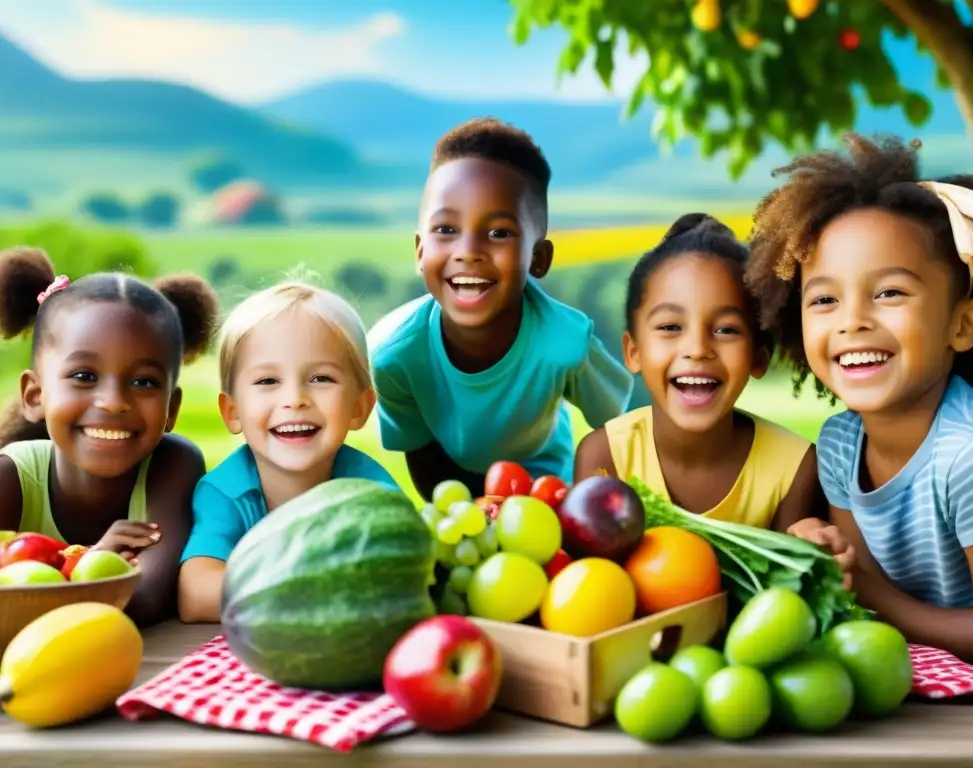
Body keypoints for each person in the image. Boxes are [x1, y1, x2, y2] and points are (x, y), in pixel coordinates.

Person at [745, 133, 973, 666]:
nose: (853, 321)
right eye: (824, 299)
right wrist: (823, 547)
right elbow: (861, 580)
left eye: (889, 293)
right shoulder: (841, 442)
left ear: (962, 324)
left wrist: (874, 597)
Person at [370, 117, 634, 500]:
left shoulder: (567, 342)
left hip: (547, 485)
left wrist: (586, 507)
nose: (468, 252)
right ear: (420, 250)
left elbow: (621, 427)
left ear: (539, 258)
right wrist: (465, 510)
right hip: (449, 483)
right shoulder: (393, 354)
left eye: (498, 233)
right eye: (446, 230)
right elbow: (420, 450)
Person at [575, 215, 852, 558]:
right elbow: (593, 582)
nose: (697, 349)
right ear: (634, 352)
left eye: (726, 330)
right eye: (670, 327)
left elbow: (790, 587)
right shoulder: (605, 456)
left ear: (758, 359)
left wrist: (813, 543)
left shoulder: (795, 467)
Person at [0, 246, 219, 628]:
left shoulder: (174, 466)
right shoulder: (9, 479)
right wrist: (90, 561)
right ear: (35, 396)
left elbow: (147, 598)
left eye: (143, 382)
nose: (114, 402)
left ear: (171, 409)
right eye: (84, 376)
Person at [177, 279, 398, 623]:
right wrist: (303, 596)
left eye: (321, 378)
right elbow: (196, 594)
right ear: (232, 412)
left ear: (359, 407)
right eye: (267, 381)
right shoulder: (225, 493)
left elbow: (398, 575)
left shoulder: (369, 489)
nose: (295, 399)